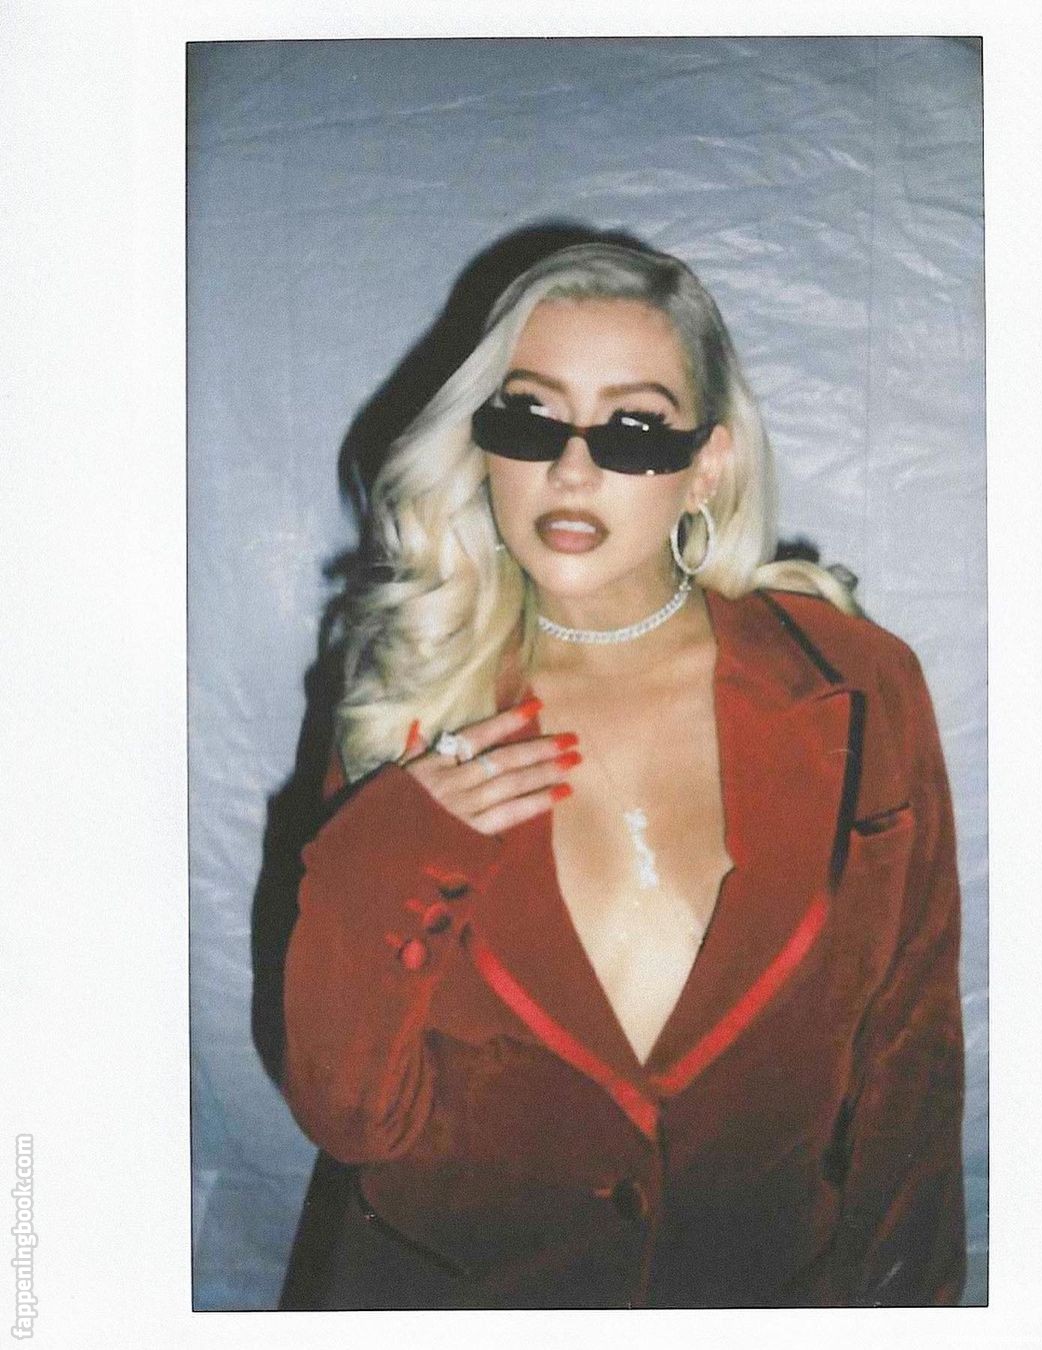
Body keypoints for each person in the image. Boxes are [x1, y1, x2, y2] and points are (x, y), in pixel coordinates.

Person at [279, 241, 966, 1308]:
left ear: (709, 463)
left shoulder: (857, 683)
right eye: (531, 419)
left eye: (633, 430)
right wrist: (383, 852)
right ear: (484, 445)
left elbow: (909, 1066)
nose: (572, 469)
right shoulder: (414, 701)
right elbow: (350, 1118)